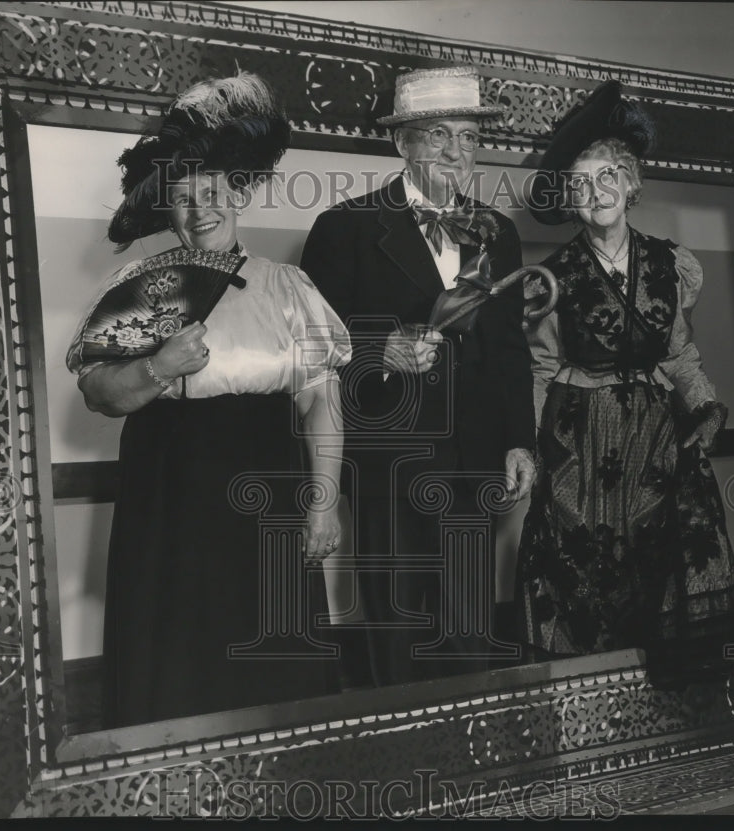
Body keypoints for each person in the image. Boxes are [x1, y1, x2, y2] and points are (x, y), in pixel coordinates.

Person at [66, 72, 352, 727]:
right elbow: (97, 392)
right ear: (167, 207)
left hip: (270, 493)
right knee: (176, 660)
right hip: (169, 500)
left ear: (240, 192)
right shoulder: (140, 285)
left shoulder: (288, 286)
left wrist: (325, 501)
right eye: (185, 197)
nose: (203, 208)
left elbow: (321, 400)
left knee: (274, 653)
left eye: (216, 191)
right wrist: (157, 367)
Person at [301, 67, 536, 687]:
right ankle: (398, 759)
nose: (458, 152)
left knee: (467, 621)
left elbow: (511, 348)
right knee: (395, 622)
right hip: (391, 458)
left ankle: (468, 748)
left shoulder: (499, 232)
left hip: (473, 454)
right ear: (401, 144)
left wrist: (519, 440)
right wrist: (381, 351)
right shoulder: (343, 228)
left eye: (467, 136)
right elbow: (314, 350)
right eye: (438, 135)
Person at [515, 80, 734, 679]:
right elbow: (541, 368)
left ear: (630, 184)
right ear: (571, 199)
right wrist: (536, 449)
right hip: (582, 440)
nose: (597, 194)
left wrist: (705, 404)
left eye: (608, 179)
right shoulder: (552, 276)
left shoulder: (672, 264)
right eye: (583, 185)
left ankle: (665, 718)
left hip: (653, 437)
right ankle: (592, 708)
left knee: (660, 566)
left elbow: (680, 354)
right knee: (582, 575)